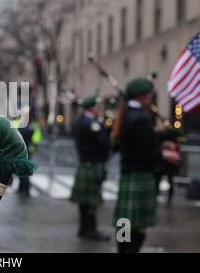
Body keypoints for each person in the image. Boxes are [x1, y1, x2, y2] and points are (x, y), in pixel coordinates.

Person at [111, 77, 180, 253]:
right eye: (150, 94)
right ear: (143, 95)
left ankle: (123, 250)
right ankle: (130, 251)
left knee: (125, 221)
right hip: (140, 173)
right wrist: (164, 154)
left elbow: (136, 143)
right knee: (138, 225)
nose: (151, 98)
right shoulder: (141, 117)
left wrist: (160, 144)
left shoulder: (127, 114)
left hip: (129, 172)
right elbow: (146, 152)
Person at [70, 95, 110, 241]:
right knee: (92, 201)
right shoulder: (91, 123)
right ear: (92, 108)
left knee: (85, 202)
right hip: (92, 164)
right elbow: (104, 143)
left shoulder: (81, 121)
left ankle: (83, 228)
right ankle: (90, 230)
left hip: (85, 164)